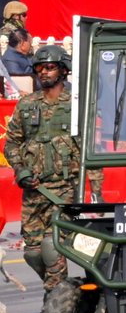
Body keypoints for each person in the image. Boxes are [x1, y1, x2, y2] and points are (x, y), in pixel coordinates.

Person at [5, 44, 79, 288]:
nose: (44, 72)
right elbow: (12, 143)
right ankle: (63, 294)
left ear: (63, 70)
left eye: (50, 67)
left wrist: (94, 188)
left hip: (64, 188)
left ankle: (53, 305)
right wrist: (20, 169)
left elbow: (88, 145)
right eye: (39, 67)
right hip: (34, 189)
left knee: (52, 248)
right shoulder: (26, 106)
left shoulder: (75, 105)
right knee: (33, 253)